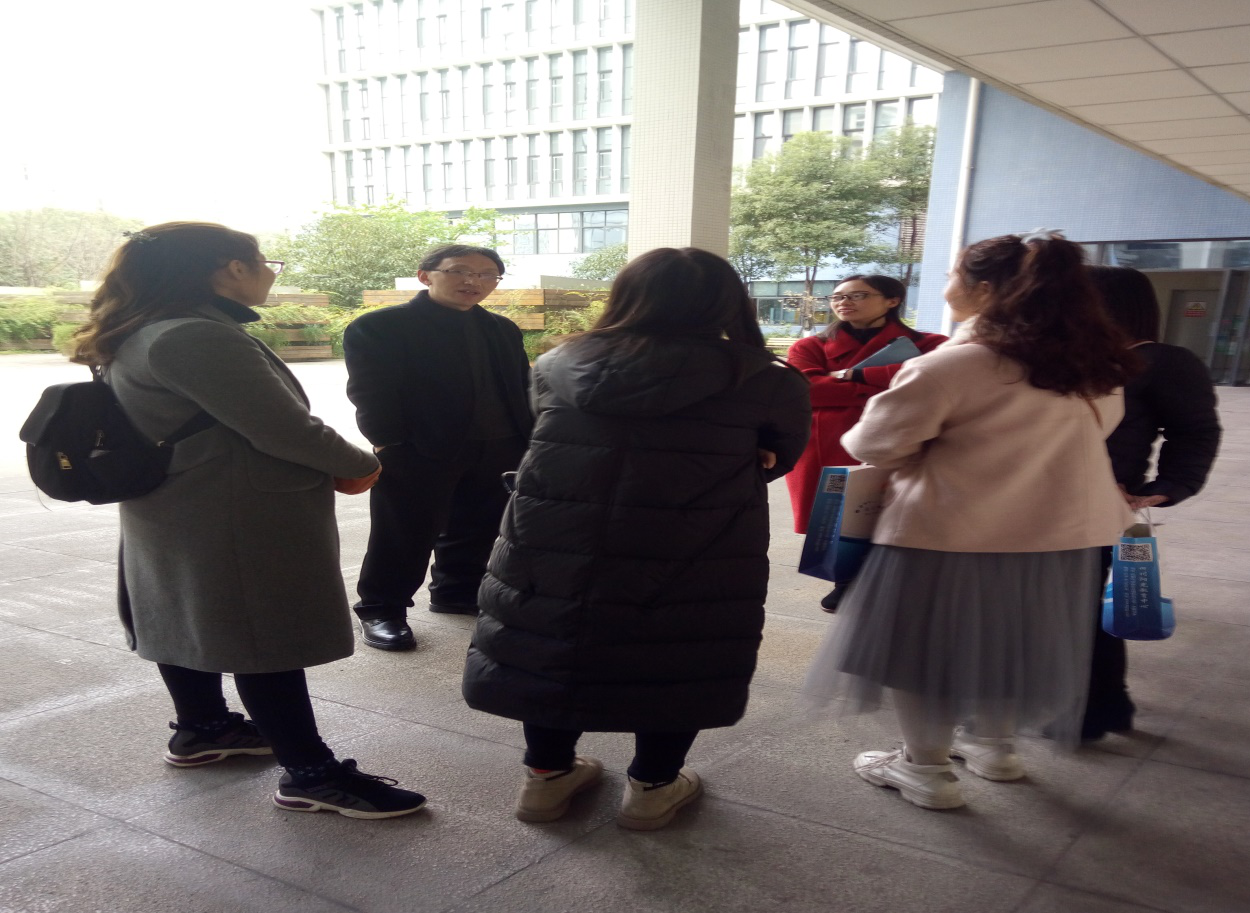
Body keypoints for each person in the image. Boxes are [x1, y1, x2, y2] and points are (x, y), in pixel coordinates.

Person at [71, 222, 425, 819]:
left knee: (185, 613)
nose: (268, 274)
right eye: (264, 263)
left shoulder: (144, 327)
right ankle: (310, 773)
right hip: (232, 511)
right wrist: (362, 463)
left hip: (179, 502)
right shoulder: (194, 335)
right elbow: (284, 428)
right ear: (231, 268)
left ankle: (203, 727)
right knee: (262, 636)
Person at [462, 248, 811, 831]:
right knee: (676, 650)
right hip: (695, 537)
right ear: (728, 303)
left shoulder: (558, 362)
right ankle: (653, 787)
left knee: (555, 639)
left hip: (557, 532)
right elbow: (780, 456)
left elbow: (550, 433)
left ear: (627, 295)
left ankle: (546, 779)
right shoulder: (764, 378)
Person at [804, 232, 1136, 810]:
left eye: (953, 275)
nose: (947, 286)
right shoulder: (1093, 368)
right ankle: (995, 748)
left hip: (949, 532)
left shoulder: (951, 365)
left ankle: (925, 769)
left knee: (924, 654)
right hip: (1058, 538)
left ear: (983, 289)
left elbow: (875, 444)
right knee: (1009, 644)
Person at [343, 244, 533, 650]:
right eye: (460, 271)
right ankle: (381, 609)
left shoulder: (501, 328)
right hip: (419, 448)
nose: (473, 281)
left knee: (478, 528)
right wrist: (388, 442)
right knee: (404, 532)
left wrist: (527, 439)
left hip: (499, 444)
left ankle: (456, 592)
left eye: (486, 274)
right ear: (425, 275)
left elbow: (521, 386)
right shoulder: (381, 326)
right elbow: (370, 391)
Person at [1079, 266, 1221, 740]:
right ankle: (1100, 705)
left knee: (1082, 607)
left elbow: (1195, 431)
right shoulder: (1067, 355)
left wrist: (1169, 486)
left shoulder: (1162, 360)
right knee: (1066, 603)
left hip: (1100, 504)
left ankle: (1099, 708)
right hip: (1045, 498)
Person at [783, 275, 946, 610]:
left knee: (900, 514)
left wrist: (850, 376)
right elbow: (806, 390)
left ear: (892, 300)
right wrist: (890, 385)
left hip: (901, 440)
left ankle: (893, 583)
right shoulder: (809, 346)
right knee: (840, 518)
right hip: (831, 446)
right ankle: (844, 581)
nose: (844, 302)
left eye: (858, 295)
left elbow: (934, 385)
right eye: (837, 297)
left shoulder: (932, 344)